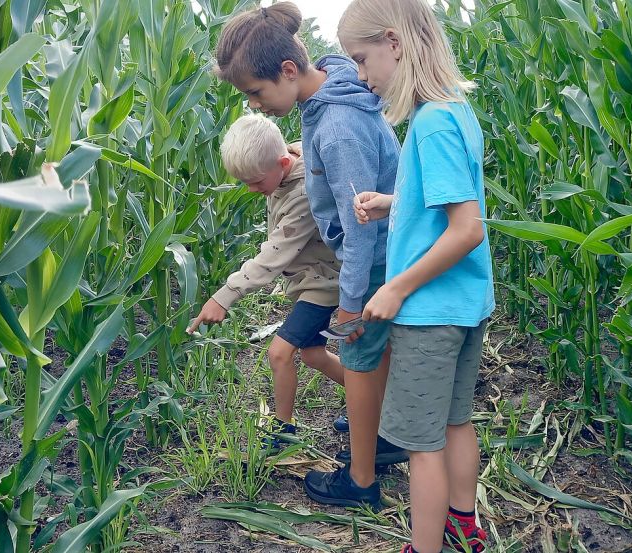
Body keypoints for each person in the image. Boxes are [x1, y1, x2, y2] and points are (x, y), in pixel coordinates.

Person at [213, 2, 405, 509]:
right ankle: (382, 438)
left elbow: (360, 222)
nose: (254, 105)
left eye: (255, 92)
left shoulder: (336, 126)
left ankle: (361, 481)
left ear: (289, 71)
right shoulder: (330, 93)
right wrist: (305, 151)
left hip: (372, 262)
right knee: (372, 357)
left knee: (360, 359)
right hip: (382, 254)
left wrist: (349, 301)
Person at [338, 0, 495, 550]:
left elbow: (467, 228)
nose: (361, 76)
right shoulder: (455, 111)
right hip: (464, 305)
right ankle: (463, 524)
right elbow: (446, 198)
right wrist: (392, 202)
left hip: (429, 313)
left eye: (361, 59)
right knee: (455, 423)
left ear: (394, 43)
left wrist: (397, 286)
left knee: (421, 446)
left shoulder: (429, 124)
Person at [188, 114, 344, 449]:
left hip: (322, 284)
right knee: (314, 354)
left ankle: (283, 430)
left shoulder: (303, 193)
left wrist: (225, 295)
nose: (252, 190)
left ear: (283, 162)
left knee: (279, 353)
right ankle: (373, 402)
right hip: (310, 280)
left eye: (256, 182)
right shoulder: (284, 169)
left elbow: (275, 254)